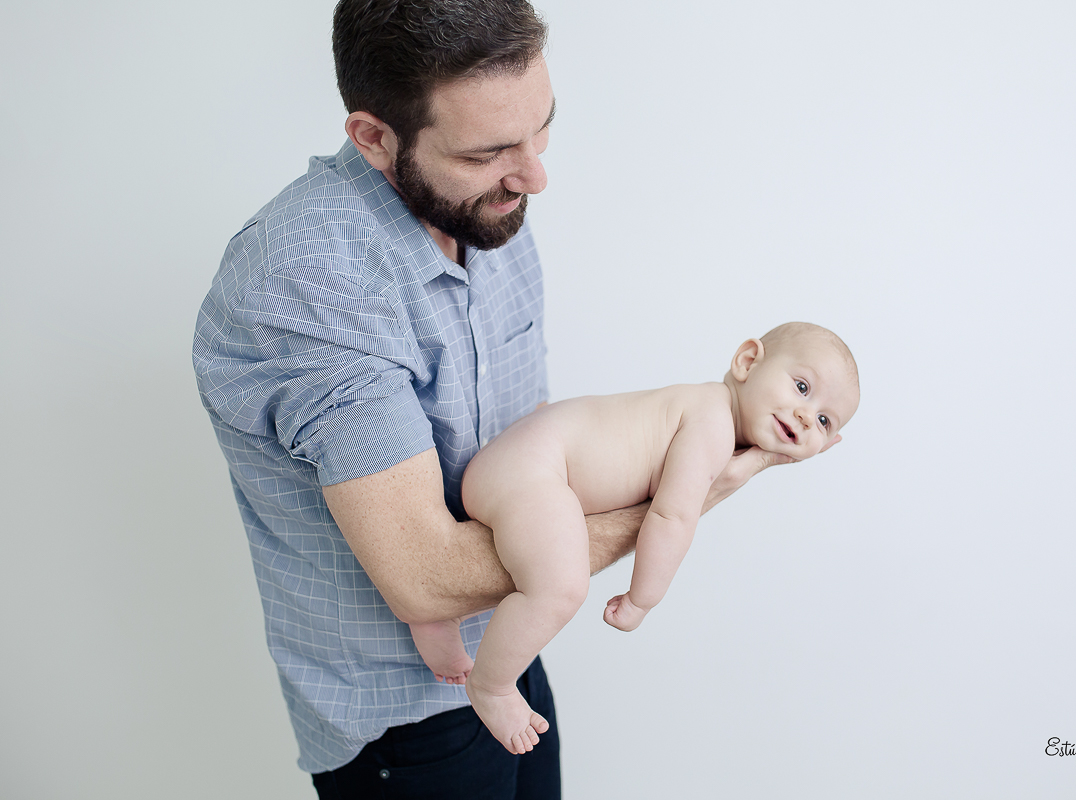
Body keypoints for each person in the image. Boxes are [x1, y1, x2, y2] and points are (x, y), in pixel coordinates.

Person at [193, 1, 792, 796]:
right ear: (374, 137)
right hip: (401, 720)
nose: (535, 175)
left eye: (541, 130)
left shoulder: (487, 207)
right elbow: (425, 578)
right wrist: (690, 488)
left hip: (511, 644)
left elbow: (534, 455)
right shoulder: (308, 279)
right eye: (488, 151)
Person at [411, 322, 860, 755]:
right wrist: (643, 598)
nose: (806, 416)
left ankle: (437, 617)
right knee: (561, 586)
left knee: (533, 554)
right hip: (533, 468)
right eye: (802, 387)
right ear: (747, 361)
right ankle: (491, 687)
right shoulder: (713, 423)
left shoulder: (705, 404)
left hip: (523, 463)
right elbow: (672, 515)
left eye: (824, 420)